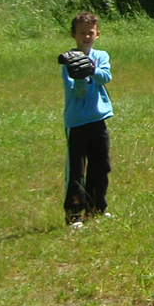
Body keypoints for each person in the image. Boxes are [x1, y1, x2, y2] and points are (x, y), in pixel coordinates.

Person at [59, 12, 114, 229]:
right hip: (77, 122)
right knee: (76, 170)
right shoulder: (68, 60)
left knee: (101, 166)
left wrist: (91, 69)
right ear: (74, 35)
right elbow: (78, 92)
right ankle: (74, 214)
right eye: (82, 33)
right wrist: (80, 75)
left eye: (90, 32)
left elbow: (106, 77)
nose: (86, 37)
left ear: (97, 34)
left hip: (98, 119)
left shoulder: (101, 56)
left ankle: (96, 208)